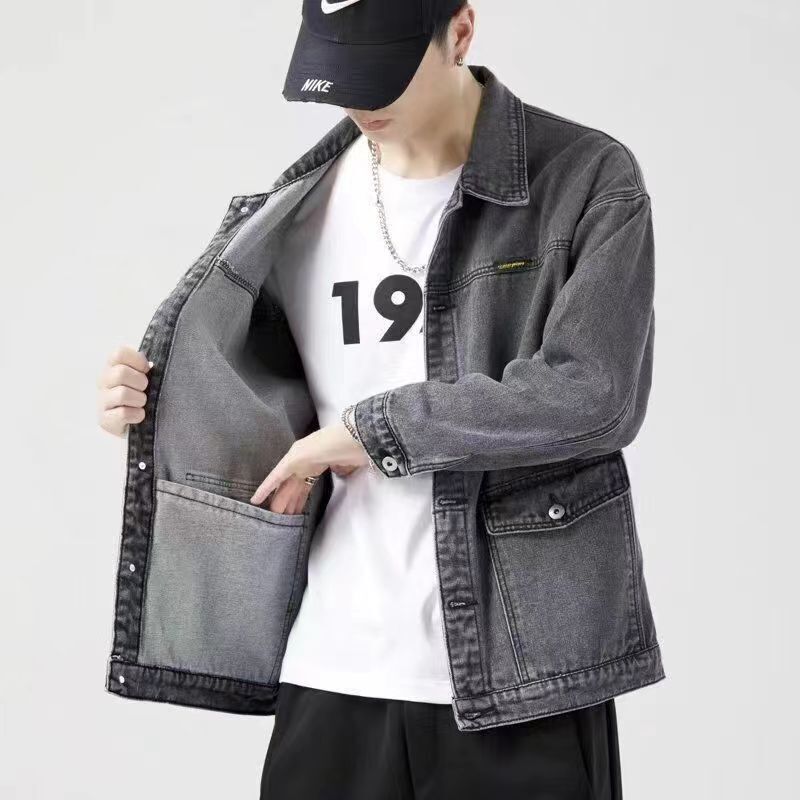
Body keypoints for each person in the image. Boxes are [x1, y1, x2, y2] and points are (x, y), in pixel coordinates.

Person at [98, 1, 659, 797]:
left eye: (383, 68)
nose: (359, 97)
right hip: (332, 667)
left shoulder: (585, 180)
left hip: (519, 679)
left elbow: (594, 394)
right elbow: (262, 414)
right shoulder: (296, 211)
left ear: (460, 32)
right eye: (339, 70)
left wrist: (370, 432)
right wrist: (152, 403)